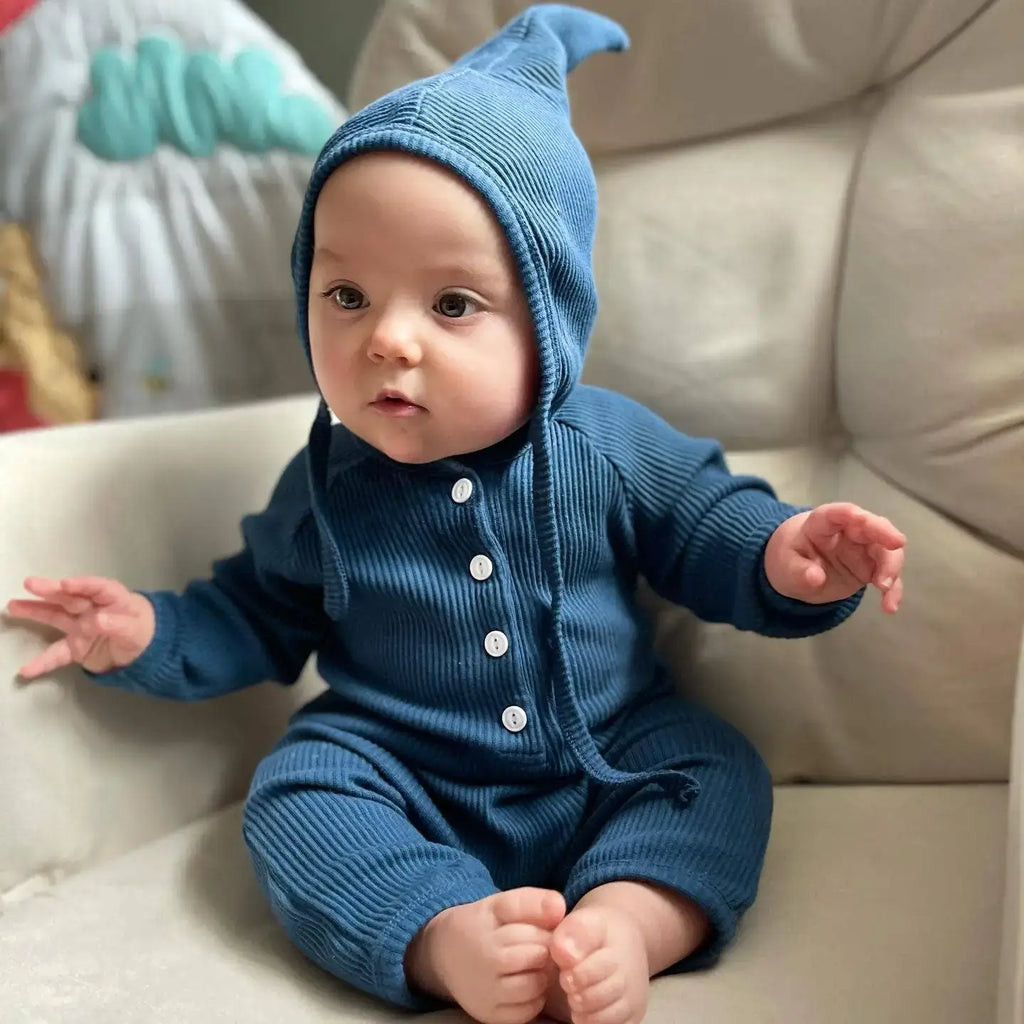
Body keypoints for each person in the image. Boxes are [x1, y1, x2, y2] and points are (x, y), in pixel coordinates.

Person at [5, 6, 906, 1024]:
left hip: (605, 750)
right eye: (347, 296)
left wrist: (786, 554)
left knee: (715, 767)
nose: (387, 341)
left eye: (451, 305)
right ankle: (442, 936)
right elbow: (258, 610)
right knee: (296, 793)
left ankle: (628, 919)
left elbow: (703, 523)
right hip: (402, 770)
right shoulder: (326, 482)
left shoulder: (605, 445)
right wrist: (150, 632)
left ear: (549, 320)